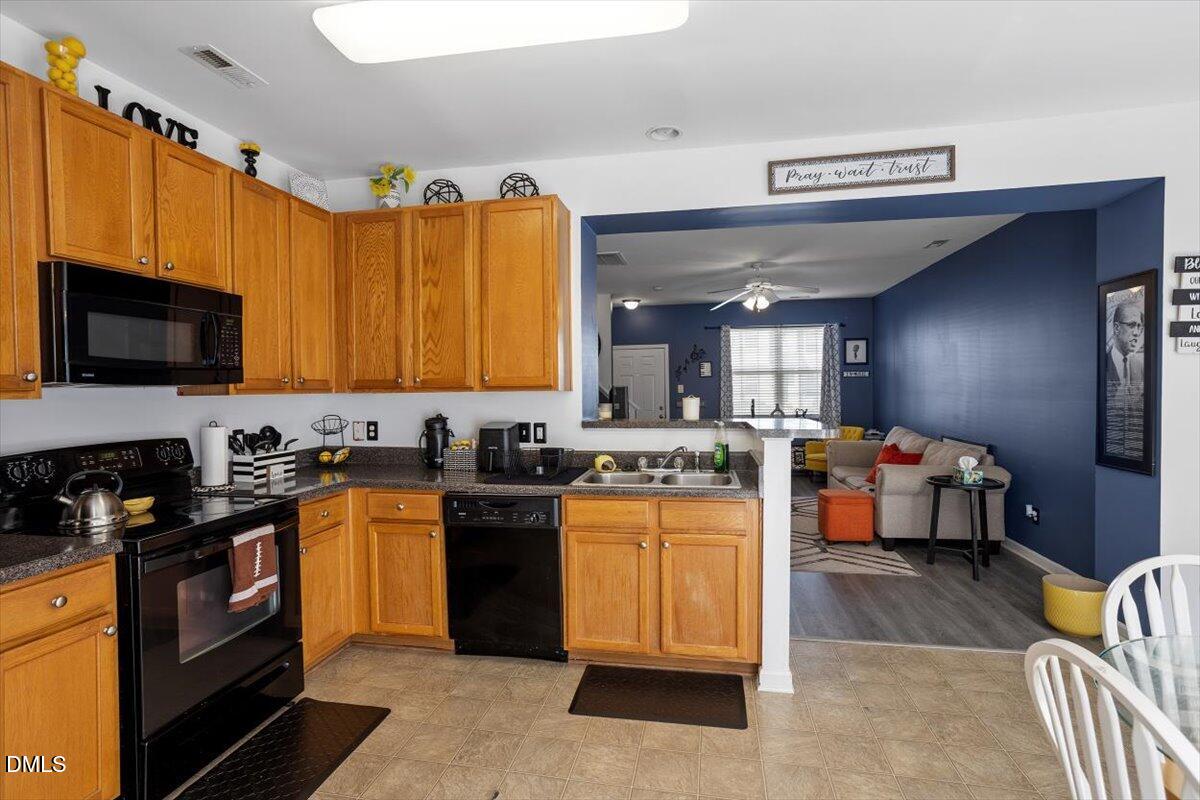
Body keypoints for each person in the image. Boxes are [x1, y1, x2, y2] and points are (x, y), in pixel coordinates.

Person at [1105, 300, 1145, 386]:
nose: (1136, 333)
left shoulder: (1140, 367)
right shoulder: (1102, 363)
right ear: (1116, 328)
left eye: (1139, 327)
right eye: (1131, 325)